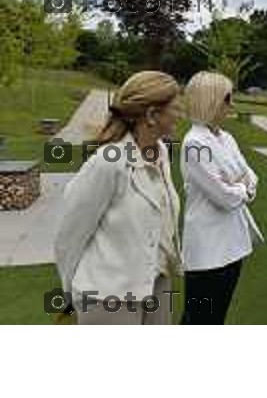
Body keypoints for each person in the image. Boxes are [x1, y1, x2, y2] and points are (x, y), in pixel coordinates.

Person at [54, 71, 183, 325]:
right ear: (152, 115)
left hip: (156, 286)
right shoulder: (107, 162)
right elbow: (69, 235)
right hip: (107, 297)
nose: (180, 114)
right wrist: (71, 293)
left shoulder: (161, 154)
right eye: (175, 107)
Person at [180, 71, 263, 325]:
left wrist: (240, 186)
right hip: (207, 248)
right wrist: (241, 187)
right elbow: (224, 196)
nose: (232, 105)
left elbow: (252, 177)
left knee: (217, 316)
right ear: (211, 99)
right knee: (198, 319)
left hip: (232, 244)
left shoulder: (226, 138)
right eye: (228, 98)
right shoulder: (195, 143)